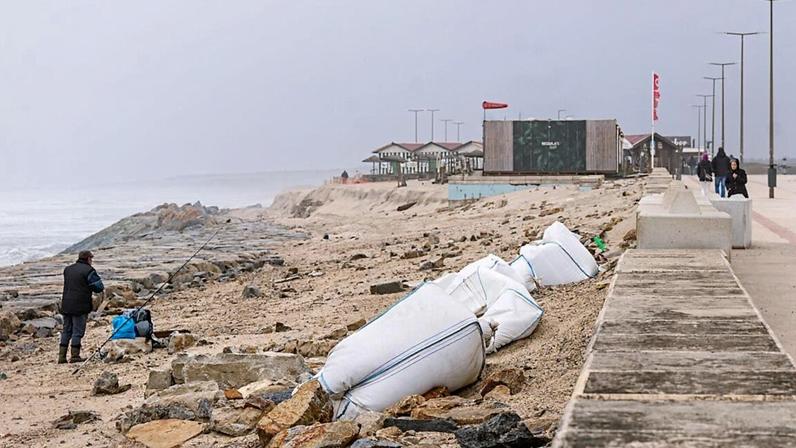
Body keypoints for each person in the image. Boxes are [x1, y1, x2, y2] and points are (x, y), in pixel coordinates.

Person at [59, 250, 104, 364]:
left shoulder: (67, 269)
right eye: (91, 259)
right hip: (80, 305)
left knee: (66, 330)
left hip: (66, 304)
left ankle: (62, 357)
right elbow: (98, 287)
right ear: (88, 259)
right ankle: (75, 356)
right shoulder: (88, 270)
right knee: (77, 331)